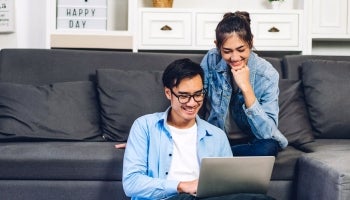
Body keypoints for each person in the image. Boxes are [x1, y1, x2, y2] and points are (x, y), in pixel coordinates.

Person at [122, 58, 275, 200]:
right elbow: (131, 183)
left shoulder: (216, 136)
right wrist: (182, 186)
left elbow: (228, 186)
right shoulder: (145, 127)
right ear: (168, 93)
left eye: (198, 94)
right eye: (184, 96)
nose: (192, 103)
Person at [200, 11, 288, 157]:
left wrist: (246, 88)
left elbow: (267, 132)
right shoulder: (211, 59)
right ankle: (224, 156)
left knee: (268, 148)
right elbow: (197, 97)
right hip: (218, 138)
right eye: (227, 51)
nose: (235, 58)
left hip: (252, 140)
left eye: (241, 50)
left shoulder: (267, 74)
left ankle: (220, 157)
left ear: (251, 42)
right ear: (217, 46)